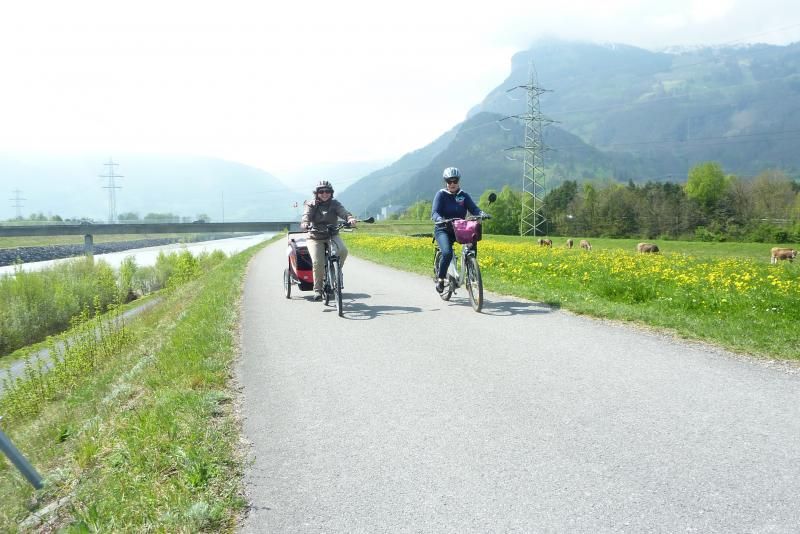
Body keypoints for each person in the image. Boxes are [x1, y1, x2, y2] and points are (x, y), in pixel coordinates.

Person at [431, 167, 489, 293]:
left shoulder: (463, 195)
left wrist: (481, 213)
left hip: (459, 229)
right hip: (443, 229)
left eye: (455, 181)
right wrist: (439, 218)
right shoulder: (441, 195)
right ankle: (441, 279)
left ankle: (471, 275)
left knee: (473, 241)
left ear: (459, 181)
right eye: (449, 181)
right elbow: (434, 212)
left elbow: (474, 209)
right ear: (445, 182)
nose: (452, 184)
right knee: (447, 253)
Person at [301, 180, 357, 301]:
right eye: (321, 191)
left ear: (331, 193)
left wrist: (350, 218)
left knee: (343, 251)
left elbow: (343, 212)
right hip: (315, 237)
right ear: (316, 193)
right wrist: (305, 223)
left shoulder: (335, 204)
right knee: (318, 262)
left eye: (327, 191)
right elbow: (306, 215)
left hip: (332, 235)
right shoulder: (311, 204)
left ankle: (336, 271)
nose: (324, 194)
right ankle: (318, 290)